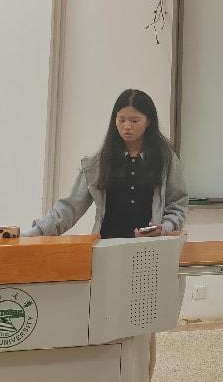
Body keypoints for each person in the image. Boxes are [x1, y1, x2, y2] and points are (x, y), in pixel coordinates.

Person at [23, 88, 188, 378]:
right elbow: (68, 209)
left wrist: (164, 227)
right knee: (108, 325)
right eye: (121, 119)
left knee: (143, 332)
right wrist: (31, 235)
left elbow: (178, 205)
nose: (126, 126)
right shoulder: (99, 161)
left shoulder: (165, 160)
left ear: (149, 121)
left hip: (147, 256)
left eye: (134, 120)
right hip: (107, 255)